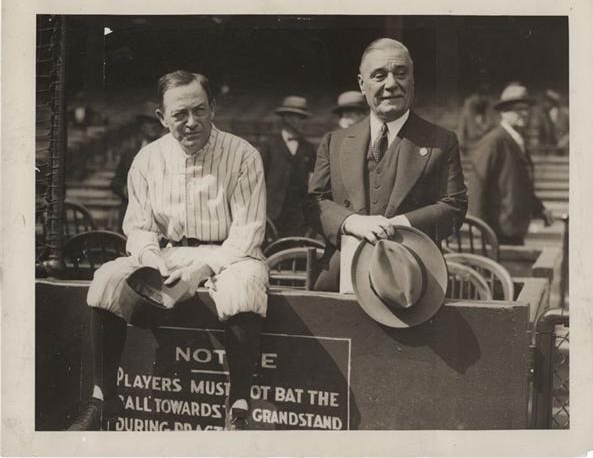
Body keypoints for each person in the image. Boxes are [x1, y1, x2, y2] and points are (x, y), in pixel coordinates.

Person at [67, 70, 268, 431]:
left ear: (213, 109)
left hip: (229, 254)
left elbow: (247, 233)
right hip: (168, 253)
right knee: (105, 279)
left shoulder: (243, 155)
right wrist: (152, 261)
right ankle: (103, 398)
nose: (192, 123)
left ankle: (238, 406)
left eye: (200, 110)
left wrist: (199, 273)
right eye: (179, 114)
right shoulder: (147, 158)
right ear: (162, 117)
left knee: (243, 288)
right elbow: (139, 228)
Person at [307, 38, 468, 292]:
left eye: (401, 73)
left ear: (412, 81)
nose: (391, 84)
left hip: (413, 275)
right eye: (379, 75)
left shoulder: (441, 141)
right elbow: (314, 201)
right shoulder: (334, 142)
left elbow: (454, 207)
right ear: (362, 84)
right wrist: (350, 222)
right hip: (342, 275)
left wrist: (400, 225)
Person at [469, 82, 553, 245]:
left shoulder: (517, 140)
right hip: (497, 229)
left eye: (526, 108)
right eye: (517, 108)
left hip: (514, 227)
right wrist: (479, 226)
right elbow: (477, 183)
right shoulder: (494, 141)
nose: (524, 113)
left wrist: (540, 209)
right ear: (503, 112)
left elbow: (521, 185)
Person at [260, 95, 316, 237]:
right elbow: (258, 179)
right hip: (272, 213)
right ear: (286, 118)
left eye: (303, 118)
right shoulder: (270, 146)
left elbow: (313, 180)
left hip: (297, 216)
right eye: (298, 117)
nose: (301, 122)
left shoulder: (309, 148)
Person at [110, 101, 164, 230]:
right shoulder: (130, 153)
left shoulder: (169, 152)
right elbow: (115, 182)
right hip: (132, 212)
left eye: (157, 122)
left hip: (160, 214)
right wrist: (124, 190)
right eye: (149, 122)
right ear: (142, 126)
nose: (153, 126)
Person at [457, 84, 495, 152]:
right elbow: (467, 127)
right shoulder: (470, 103)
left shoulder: (488, 102)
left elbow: (491, 122)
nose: (486, 98)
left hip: (483, 136)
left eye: (486, 96)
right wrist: (462, 141)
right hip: (473, 138)